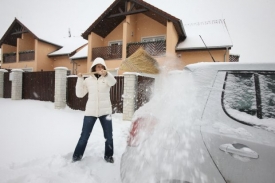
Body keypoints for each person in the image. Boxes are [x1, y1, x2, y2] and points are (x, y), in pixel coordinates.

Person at [72, 57, 117, 163]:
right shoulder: (88, 80)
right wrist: (79, 79)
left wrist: (106, 74)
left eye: (101, 66)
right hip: (90, 112)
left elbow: (113, 82)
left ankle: (108, 156)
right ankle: (77, 156)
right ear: (94, 67)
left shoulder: (107, 79)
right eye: (98, 66)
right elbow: (79, 94)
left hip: (105, 112)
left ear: (104, 68)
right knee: (84, 136)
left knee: (109, 136)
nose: (100, 68)